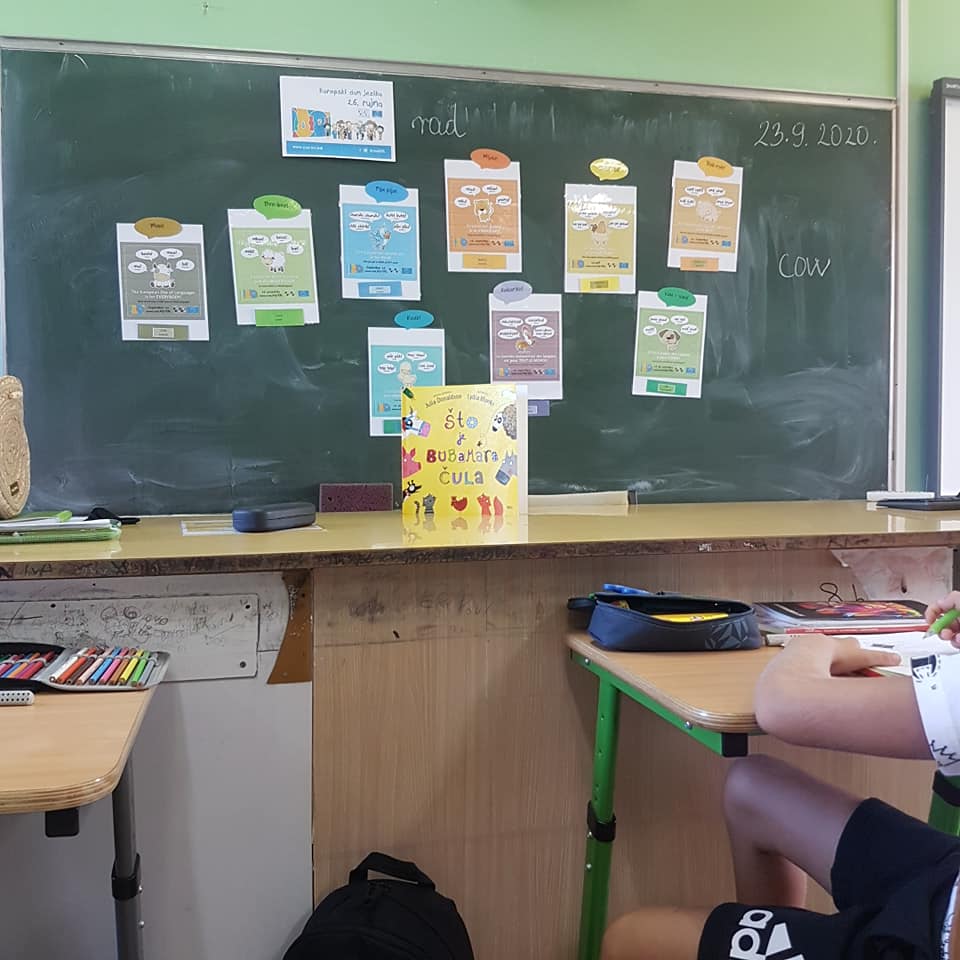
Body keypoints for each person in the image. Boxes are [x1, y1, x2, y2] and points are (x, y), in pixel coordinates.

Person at [601, 592, 960, 960]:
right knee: (750, 786)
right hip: (945, 884)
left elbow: (782, 705)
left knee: (629, 941)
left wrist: (812, 647)